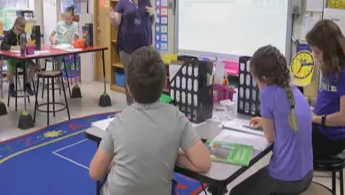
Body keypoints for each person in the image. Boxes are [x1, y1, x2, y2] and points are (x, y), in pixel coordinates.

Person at [89, 47, 211, 195]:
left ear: (128, 88)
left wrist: (114, 161)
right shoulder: (177, 118)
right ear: (166, 83)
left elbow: (95, 173)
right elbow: (203, 163)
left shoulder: (119, 121)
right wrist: (176, 156)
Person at [229, 45, 313, 195]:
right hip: (306, 174)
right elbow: (286, 123)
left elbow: (270, 137)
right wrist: (265, 122)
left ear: (264, 78)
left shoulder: (268, 93)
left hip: (286, 179)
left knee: (236, 192)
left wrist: (266, 125)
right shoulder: (294, 91)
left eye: (256, 80)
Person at [109, 0, 156, 105]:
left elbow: (152, 21)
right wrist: (113, 18)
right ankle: (131, 105)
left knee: (144, 74)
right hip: (127, 45)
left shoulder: (145, 1)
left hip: (144, 44)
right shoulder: (122, 3)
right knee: (130, 75)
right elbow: (117, 23)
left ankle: (143, 102)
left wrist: (153, 14)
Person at [305, 19, 345, 158]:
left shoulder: (342, 73)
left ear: (330, 49)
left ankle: (294, 178)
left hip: (332, 137)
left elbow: (343, 117)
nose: (315, 57)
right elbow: (328, 101)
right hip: (321, 128)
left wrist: (316, 119)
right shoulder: (329, 67)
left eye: (317, 52)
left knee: (284, 142)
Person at [0, 16, 36, 97]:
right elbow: (2, 46)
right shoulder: (8, 34)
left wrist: (29, 44)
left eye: (22, 30)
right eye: (19, 30)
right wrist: (13, 47)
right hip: (12, 59)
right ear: (14, 25)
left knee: (33, 66)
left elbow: (29, 42)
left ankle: (27, 84)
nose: (20, 32)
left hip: (23, 59)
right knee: (10, 71)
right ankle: (11, 85)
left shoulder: (23, 34)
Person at [49, 6, 78, 71]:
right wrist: (53, 42)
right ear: (64, 16)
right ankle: (58, 75)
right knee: (59, 57)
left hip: (68, 48)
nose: (67, 20)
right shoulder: (60, 24)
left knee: (69, 59)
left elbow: (73, 39)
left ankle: (66, 75)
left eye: (69, 18)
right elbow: (50, 36)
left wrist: (73, 44)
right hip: (58, 47)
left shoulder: (75, 25)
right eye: (65, 18)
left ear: (73, 17)